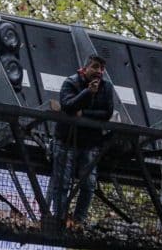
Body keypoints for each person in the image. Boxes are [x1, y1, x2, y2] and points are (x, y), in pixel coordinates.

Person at [48, 54, 114, 227]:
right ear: (85, 68)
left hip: (90, 143)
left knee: (89, 184)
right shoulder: (70, 82)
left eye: (101, 68)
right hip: (66, 140)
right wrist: (87, 93)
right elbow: (68, 106)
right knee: (62, 182)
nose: (98, 71)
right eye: (95, 67)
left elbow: (107, 112)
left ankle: (78, 221)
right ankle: (60, 219)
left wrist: (84, 114)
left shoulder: (106, 88)